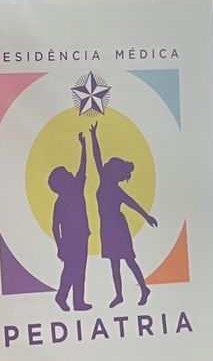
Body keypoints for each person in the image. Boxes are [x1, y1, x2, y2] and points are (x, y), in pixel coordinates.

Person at [91, 122, 158, 307]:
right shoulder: (104, 181)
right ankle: (119, 295)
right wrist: (93, 136)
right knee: (114, 263)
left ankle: (144, 288)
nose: (104, 166)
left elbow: (132, 204)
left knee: (129, 260)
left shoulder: (115, 190)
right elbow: (96, 157)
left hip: (118, 227)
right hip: (106, 227)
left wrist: (147, 217)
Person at [49, 134, 93, 312]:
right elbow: (55, 226)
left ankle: (75, 300)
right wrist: (60, 246)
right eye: (67, 173)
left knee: (77, 270)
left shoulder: (76, 188)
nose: (71, 173)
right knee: (72, 270)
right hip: (70, 240)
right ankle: (65, 298)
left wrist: (84, 146)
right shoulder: (61, 200)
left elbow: (83, 167)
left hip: (81, 236)